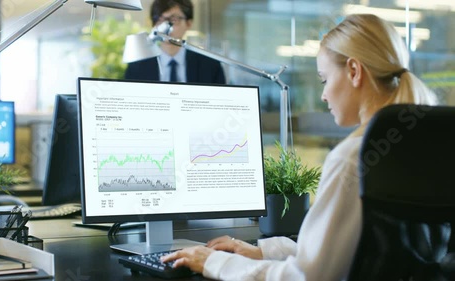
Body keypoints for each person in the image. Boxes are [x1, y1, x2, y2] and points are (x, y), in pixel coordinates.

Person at [161, 14, 437, 280]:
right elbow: (359, 253)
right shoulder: (419, 146)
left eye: (324, 79)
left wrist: (214, 262)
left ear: (354, 71)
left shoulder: (354, 158)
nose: (323, 94)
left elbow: (306, 277)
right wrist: (261, 252)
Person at [124, 0, 226, 84]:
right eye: (159, 20)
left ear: (189, 23)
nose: (165, 28)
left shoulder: (210, 66)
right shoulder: (137, 66)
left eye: (173, 20)